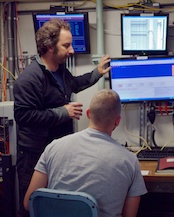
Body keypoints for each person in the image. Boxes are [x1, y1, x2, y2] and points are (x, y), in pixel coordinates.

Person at [13, 19, 111, 217]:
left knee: (56, 207)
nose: (72, 50)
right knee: (32, 206)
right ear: (49, 48)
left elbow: (74, 83)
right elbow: (23, 116)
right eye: (66, 45)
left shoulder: (59, 71)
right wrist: (63, 112)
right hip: (34, 156)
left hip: (58, 153)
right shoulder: (29, 79)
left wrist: (97, 73)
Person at [23, 89, 147, 217]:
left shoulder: (53, 147)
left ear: (88, 113)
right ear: (117, 121)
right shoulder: (130, 160)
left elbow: (29, 203)